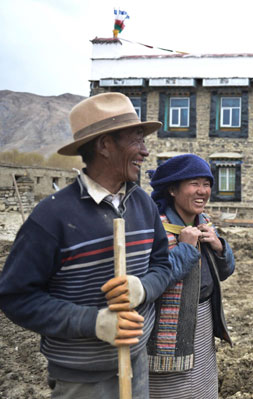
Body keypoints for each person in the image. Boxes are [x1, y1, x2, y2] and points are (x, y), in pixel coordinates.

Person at [0, 92, 173, 398]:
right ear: (104, 145)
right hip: (81, 381)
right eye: (136, 139)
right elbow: (16, 298)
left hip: (137, 364)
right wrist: (93, 322)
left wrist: (143, 288)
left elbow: (163, 265)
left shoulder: (143, 205)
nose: (145, 151)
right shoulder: (52, 217)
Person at [146, 154, 235, 399]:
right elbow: (154, 281)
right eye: (194, 183)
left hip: (203, 321)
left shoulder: (203, 222)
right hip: (168, 329)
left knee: (203, 389)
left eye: (206, 184)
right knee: (173, 391)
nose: (202, 191)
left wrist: (219, 247)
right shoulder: (156, 228)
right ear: (173, 189)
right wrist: (185, 247)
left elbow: (225, 271)